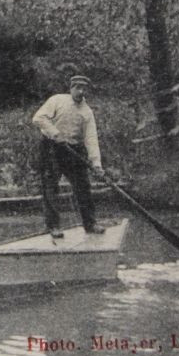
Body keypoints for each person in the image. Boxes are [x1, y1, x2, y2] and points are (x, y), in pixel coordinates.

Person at [30, 73, 107, 238]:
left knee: (83, 186)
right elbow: (38, 118)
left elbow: (91, 139)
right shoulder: (57, 100)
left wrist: (97, 164)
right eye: (77, 88)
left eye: (83, 89)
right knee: (50, 186)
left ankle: (90, 223)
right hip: (52, 147)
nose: (80, 92)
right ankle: (54, 226)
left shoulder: (87, 112)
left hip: (74, 150)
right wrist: (55, 133)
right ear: (71, 88)